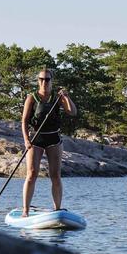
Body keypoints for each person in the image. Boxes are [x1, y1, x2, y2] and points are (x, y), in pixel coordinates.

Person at [21, 68, 77, 217]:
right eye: (41, 79)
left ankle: (57, 209)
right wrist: (26, 140)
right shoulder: (31, 98)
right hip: (36, 139)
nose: (43, 82)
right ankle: (25, 211)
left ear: (52, 81)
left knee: (55, 175)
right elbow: (25, 121)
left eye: (47, 79)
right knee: (32, 174)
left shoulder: (57, 97)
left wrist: (66, 97)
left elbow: (72, 112)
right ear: (38, 80)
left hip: (54, 139)